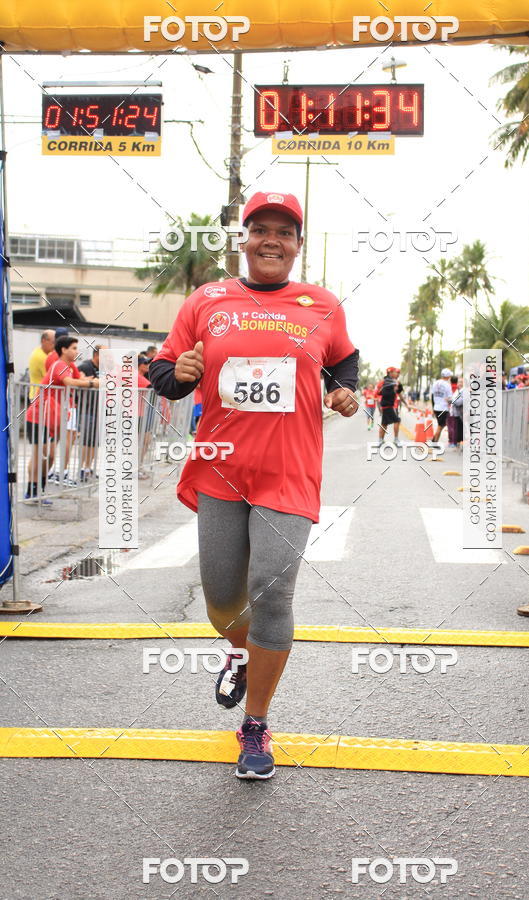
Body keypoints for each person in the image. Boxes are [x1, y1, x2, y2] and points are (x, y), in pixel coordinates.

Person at [149, 190, 358, 780]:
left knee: (272, 592)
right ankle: (240, 653)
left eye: (284, 232)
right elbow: (165, 370)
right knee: (221, 601)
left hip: (289, 472)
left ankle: (256, 724)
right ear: (243, 239)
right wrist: (178, 374)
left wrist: (343, 391)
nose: (272, 240)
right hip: (220, 469)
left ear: (297, 244)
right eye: (261, 229)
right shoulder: (207, 300)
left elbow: (343, 360)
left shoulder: (322, 304)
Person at [25, 336, 98, 497]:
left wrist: (93, 380)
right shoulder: (59, 364)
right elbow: (70, 382)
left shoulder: (70, 366)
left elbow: (79, 379)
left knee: (49, 456)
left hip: (53, 417)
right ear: (63, 350)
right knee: (41, 454)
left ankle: (39, 489)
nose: (77, 351)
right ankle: (32, 491)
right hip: (39, 415)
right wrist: (93, 384)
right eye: (74, 348)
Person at [78, 345, 105, 480]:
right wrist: (93, 382)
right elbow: (79, 381)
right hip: (87, 409)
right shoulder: (85, 366)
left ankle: (89, 468)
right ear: (96, 355)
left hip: (99, 410)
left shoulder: (104, 368)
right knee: (86, 441)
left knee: (94, 442)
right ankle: (82, 469)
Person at [375, 367, 403, 446]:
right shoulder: (386, 382)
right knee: (397, 420)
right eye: (395, 372)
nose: (396, 374)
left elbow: (399, 391)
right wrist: (392, 388)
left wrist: (398, 386)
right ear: (390, 373)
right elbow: (378, 393)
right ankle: (396, 440)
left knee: (384, 424)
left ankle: (380, 440)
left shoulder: (392, 382)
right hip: (387, 405)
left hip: (387, 405)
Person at [28, 330, 55, 401]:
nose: (54, 345)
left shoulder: (39, 351)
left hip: (38, 394)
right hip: (39, 396)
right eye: (53, 342)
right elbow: (51, 377)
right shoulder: (41, 357)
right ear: (44, 341)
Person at [431, 368, 453, 444]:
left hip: (436, 407)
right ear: (448, 376)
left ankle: (434, 441)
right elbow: (450, 398)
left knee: (441, 425)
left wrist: (433, 408)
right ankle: (434, 442)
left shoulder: (435, 383)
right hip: (443, 408)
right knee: (440, 426)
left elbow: (432, 396)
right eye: (449, 375)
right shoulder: (447, 385)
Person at [447, 375, 459, 447]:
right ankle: (455, 441)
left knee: (449, 426)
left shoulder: (448, 388)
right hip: (456, 410)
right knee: (455, 427)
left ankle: (450, 441)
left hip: (448, 409)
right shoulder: (458, 388)